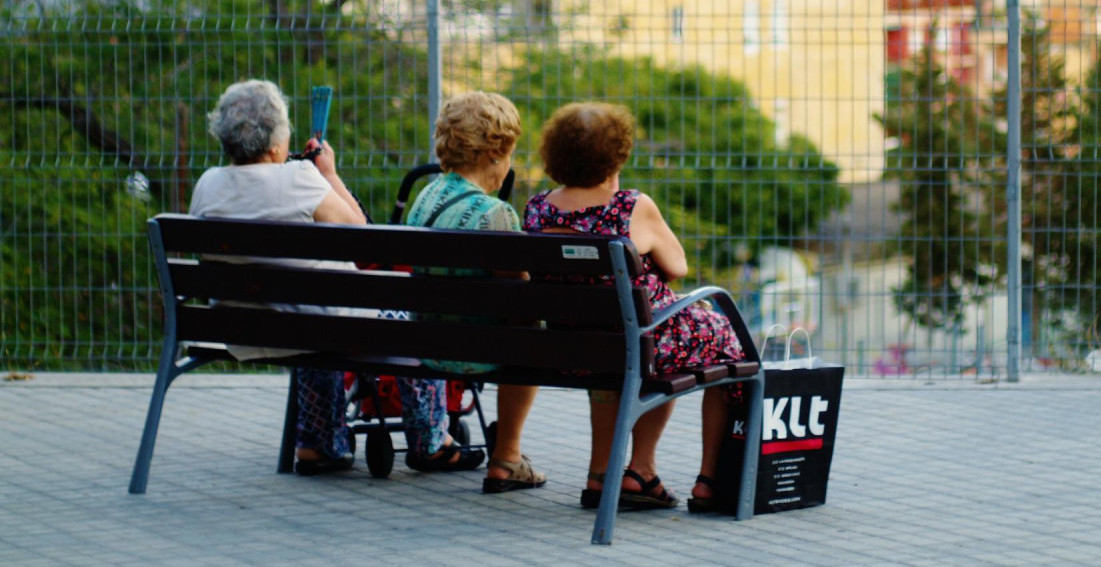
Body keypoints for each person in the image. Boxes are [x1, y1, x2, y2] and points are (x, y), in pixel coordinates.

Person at [189, 79, 483, 476]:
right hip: (320, 325)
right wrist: (328, 173)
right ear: (276, 143)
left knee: (315, 320)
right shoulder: (298, 179)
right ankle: (430, 441)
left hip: (242, 327)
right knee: (410, 314)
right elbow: (363, 239)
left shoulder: (208, 185)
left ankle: (319, 443)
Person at [522, 102, 746, 513]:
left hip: (569, 350)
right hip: (630, 345)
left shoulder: (537, 209)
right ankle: (703, 480)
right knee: (717, 335)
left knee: (658, 336)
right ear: (618, 154)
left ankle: (626, 473)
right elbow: (677, 267)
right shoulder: (630, 206)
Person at [403, 91, 545, 494]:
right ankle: (507, 457)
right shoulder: (496, 213)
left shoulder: (424, 197)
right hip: (477, 353)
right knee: (530, 331)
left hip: (429, 344)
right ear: (494, 152)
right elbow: (522, 299)